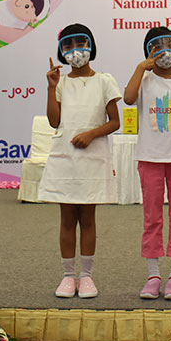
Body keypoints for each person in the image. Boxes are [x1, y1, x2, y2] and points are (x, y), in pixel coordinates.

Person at [38, 24, 121, 299]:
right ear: (62, 51)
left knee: (87, 218)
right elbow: (54, 121)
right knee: (66, 218)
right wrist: (51, 88)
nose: (76, 51)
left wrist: (91, 134)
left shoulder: (104, 80)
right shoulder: (60, 82)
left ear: (91, 45)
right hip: (66, 158)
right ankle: (67, 276)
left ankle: (86, 276)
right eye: (68, 46)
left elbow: (114, 122)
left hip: (92, 157)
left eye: (80, 43)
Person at [123, 27, 171, 301]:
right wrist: (140, 68)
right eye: (157, 46)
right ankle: (153, 275)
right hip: (150, 159)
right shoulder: (143, 81)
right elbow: (129, 99)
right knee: (151, 218)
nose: (165, 49)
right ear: (149, 52)